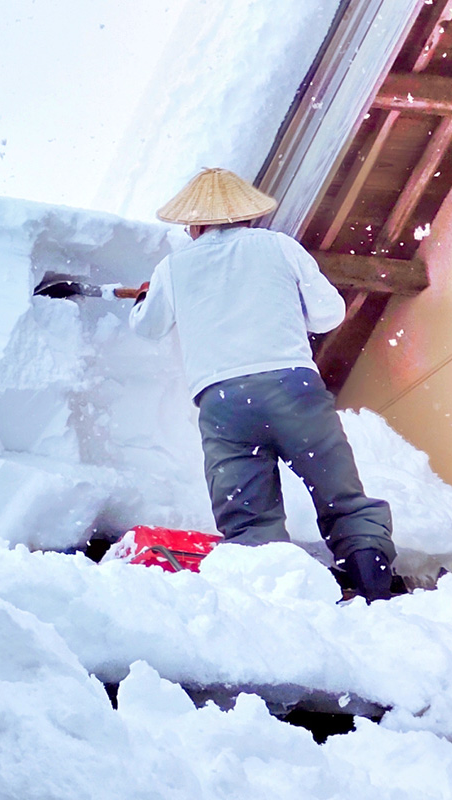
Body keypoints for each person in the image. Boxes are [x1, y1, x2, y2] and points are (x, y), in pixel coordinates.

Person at [128, 168, 396, 602]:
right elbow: (329, 315)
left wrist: (146, 298)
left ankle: (278, 606)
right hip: (294, 390)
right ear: (247, 215)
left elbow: (148, 327)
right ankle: (373, 587)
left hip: (224, 403)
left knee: (249, 520)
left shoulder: (174, 267)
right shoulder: (279, 247)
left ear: (194, 225)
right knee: (342, 498)